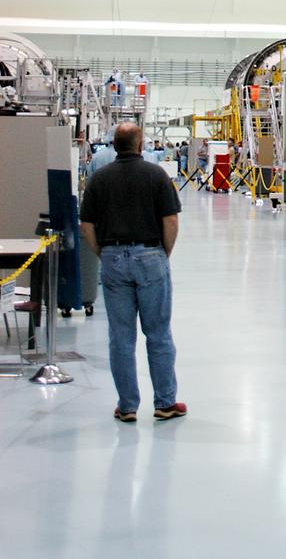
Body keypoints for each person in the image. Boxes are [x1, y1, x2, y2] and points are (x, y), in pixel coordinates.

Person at [79, 121, 186, 423]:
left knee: (120, 337)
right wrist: (162, 253)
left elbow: (86, 225)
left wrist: (104, 252)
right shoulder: (157, 175)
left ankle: (127, 406)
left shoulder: (98, 180)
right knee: (159, 334)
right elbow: (171, 221)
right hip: (151, 255)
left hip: (113, 259)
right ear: (141, 146)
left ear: (114, 145)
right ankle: (165, 402)